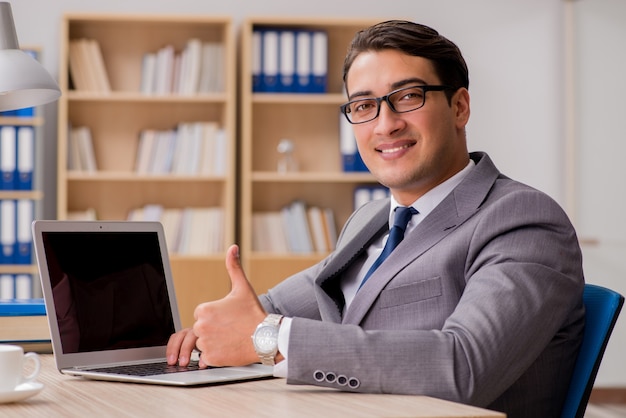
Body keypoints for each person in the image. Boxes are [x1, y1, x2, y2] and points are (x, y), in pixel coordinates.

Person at [167, 20, 584, 417]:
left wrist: (270, 339)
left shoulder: (523, 220)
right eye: (364, 106)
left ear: (459, 107)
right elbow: (272, 307)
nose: (386, 124)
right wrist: (207, 335)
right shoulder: (371, 220)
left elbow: (463, 366)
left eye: (407, 97)